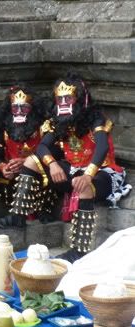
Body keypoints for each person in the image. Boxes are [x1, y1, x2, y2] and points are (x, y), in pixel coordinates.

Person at [8, 72, 131, 262]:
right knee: (31, 161)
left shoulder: (96, 118)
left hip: (102, 171)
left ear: (79, 98)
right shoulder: (58, 121)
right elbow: (42, 146)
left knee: (84, 187)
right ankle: (17, 216)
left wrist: (88, 175)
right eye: (60, 99)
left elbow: (102, 146)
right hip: (73, 169)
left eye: (68, 98)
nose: (63, 102)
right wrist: (53, 164)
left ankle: (79, 251)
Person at [0, 85, 56, 226]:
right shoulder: (2, 127)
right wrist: (3, 167)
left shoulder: (44, 126)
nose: (19, 112)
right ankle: (15, 208)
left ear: (32, 109)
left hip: (38, 176)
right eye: (15, 108)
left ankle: (39, 209)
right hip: (13, 177)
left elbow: (54, 152)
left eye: (24, 108)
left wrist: (26, 161)